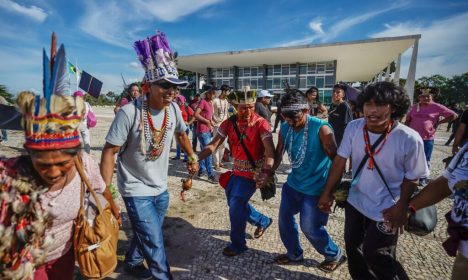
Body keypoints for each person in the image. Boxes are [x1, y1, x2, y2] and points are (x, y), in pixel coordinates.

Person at [0, 38, 118, 279]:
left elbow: (100, 188)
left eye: (62, 164)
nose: (53, 172)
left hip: (64, 256)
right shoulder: (9, 177)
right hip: (23, 264)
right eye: (43, 164)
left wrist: (112, 209)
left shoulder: (85, 163)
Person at [100, 31, 199, 280]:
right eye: (165, 85)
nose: (172, 91)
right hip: (135, 188)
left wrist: (192, 157)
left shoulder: (174, 109)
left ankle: (132, 263)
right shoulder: (128, 113)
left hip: (161, 188)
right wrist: (105, 191)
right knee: (154, 240)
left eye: (175, 86)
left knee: (148, 232)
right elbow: (110, 151)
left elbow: (183, 134)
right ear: (149, 86)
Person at [318, 81, 428, 279]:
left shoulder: (409, 138)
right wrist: (327, 193)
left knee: (377, 255)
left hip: (387, 208)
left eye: (380, 104)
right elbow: (339, 163)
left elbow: (413, 178)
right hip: (356, 201)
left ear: (393, 108)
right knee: (353, 251)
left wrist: (402, 207)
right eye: (368, 104)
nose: (372, 110)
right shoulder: (354, 127)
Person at [272, 89, 346, 272]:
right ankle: (294, 254)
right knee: (284, 221)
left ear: (305, 110)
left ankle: (334, 254)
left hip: (316, 190)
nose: (290, 121)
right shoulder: (285, 127)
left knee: (310, 227)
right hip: (293, 185)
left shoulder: (322, 129)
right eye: (286, 117)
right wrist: (267, 172)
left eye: (294, 117)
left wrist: (329, 194)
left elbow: (338, 163)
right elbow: (278, 154)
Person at [197, 90, 275, 257]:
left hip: (254, 174)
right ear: (235, 107)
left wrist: (266, 171)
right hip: (236, 172)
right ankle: (263, 221)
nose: (246, 112)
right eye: (242, 108)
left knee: (236, 206)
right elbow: (213, 145)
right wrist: (195, 158)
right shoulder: (228, 124)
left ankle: (238, 244)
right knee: (236, 204)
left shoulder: (261, 124)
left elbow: (270, 151)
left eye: (250, 107)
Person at [405, 87, 457, 169]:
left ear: (432, 96)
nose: (425, 98)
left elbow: (454, 115)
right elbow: (407, 121)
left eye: (428, 96)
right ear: (419, 97)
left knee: (425, 159)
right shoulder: (414, 107)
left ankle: (423, 177)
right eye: (423, 96)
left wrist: (439, 123)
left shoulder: (437, 106)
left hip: (427, 138)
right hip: (412, 138)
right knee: (410, 158)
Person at [194, 85, 216, 182]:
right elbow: (196, 114)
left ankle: (201, 171)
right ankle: (210, 174)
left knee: (204, 151)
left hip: (207, 130)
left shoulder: (210, 103)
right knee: (208, 152)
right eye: (211, 93)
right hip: (202, 130)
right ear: (206, 94)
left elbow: (209, 116)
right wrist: (207, 121)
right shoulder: (203, 102)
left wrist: (211, 122)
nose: (213, 95)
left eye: (213, 93)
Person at [212, 84, 230, 170]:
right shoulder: (215, 101)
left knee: (223, 145)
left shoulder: (226, 101)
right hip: (217, 125)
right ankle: (216, 163)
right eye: (228, 91)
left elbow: (227, 114)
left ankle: (220, 161)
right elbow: (211, 113)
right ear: (223, 91)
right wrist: (212, 122)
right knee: (216, 144)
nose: (229, 93)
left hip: (225, 125)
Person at [172, 94, 194, 162]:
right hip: (176, 127)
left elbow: (194, 115)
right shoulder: (175, 107)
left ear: (182, 101)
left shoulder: (186, 108)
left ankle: (186, 157)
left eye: (178, 100)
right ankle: (178, 155)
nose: (177, 101)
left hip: (185, 127)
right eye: (177, 100)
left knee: (184, 142)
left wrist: (189, 122)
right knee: (178, 142)